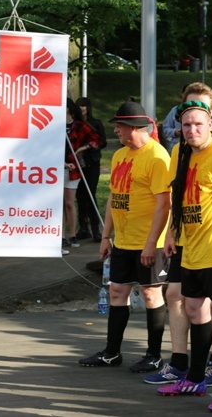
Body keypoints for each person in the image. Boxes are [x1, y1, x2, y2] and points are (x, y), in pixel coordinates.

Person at [144, 82, 212, 392]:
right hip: (189, 243)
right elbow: (178, 196)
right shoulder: (180, 152)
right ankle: (193, 376)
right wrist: (172, 231)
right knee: (192, 306)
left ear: (211, 120)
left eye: (198, 123)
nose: (191, 129)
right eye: (186, 124)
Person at [78, 101, 169, 373]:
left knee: (152, 294)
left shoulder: (157, 157)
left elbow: (164, 204)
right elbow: (113, 200)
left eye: (119, 125)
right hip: (123, 241)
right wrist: (106, 236)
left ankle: (154, 355)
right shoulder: (120, 156)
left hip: (150, 241)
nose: (115, 130)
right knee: (117, 291)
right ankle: (111, 352)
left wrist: (152, 243)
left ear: (134, 127)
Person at [63, 98, 103, 249]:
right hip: (57, 167)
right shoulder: (54, 124)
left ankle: (74, 234)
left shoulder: (79, 125)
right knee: (61, 203)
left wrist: (83, 148)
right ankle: (61, 236)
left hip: (73, 169)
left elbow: (97, 140)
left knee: (70, 202)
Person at [75, 96, 107, 243]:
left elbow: (103, 142)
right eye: (80, 106)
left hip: (92, 163)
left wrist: (88, 147)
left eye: (84, 106)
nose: (82, 108)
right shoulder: (75, 124)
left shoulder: (96, 123)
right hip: (78, 164)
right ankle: (83, 228)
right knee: (80, 196)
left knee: (91, 194)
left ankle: (96, 229)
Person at [161, 84, 188, 154]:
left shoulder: (200, 113)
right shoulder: (175, 110)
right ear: (182, 94)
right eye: (187, 93)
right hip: (175, 144)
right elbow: (165, 128)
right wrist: (174, 132)